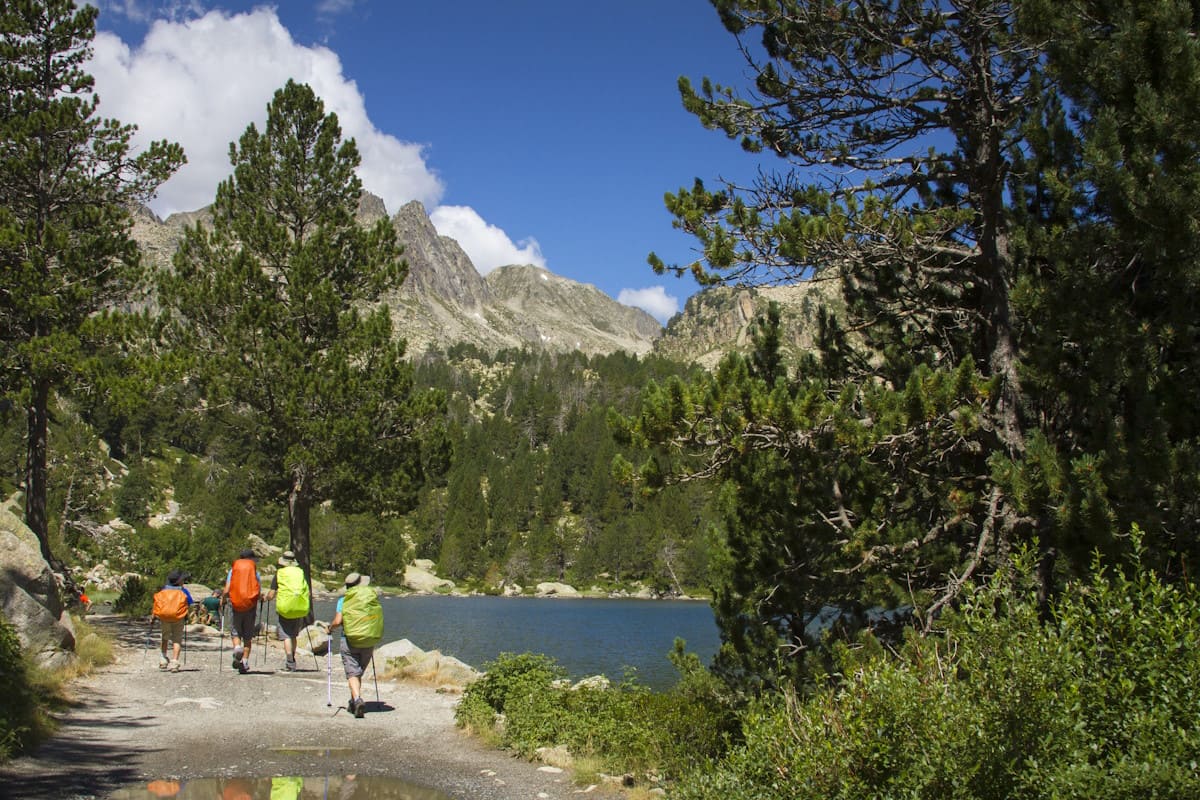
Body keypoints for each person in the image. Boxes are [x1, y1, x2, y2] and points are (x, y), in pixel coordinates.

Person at [328, 572, 382, 718]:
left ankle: (357, 699)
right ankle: (354, 701)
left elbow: (338, 621)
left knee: (352, 672)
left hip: (349, 640)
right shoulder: (369, 598)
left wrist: (330, 627)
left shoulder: (343, 600)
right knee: (358, 672)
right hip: (368, 640)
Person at [264, 550, 310, 672]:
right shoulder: (300, 572)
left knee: (286, 635)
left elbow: (272, 593)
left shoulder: (280, 573)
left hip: (285, 608)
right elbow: (307, 590)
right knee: (293, 635)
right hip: (299, 606)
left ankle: (290, 662)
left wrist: (266, 598)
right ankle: (293, 659)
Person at [223, 549, 261, 674]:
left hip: (235, 605)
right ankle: (244, 662)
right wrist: (261, 599)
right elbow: (257, 590)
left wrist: (223, 599)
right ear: (251, 559)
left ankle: (237, 647)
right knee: (248, 636)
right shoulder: (255, 572)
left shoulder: (233, 570)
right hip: (250, 606)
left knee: (235, 631)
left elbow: (227, 589)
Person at [153, 570, 193, 672]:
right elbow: (189, 603)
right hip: (178, 618)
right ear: (179, 581)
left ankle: (163, 659)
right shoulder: (183, 591)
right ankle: (174, 662)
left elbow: (157, 604)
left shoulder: (163, 591)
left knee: (165, 637)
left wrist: (153, 616)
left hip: (164, 618)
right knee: (176, 639)